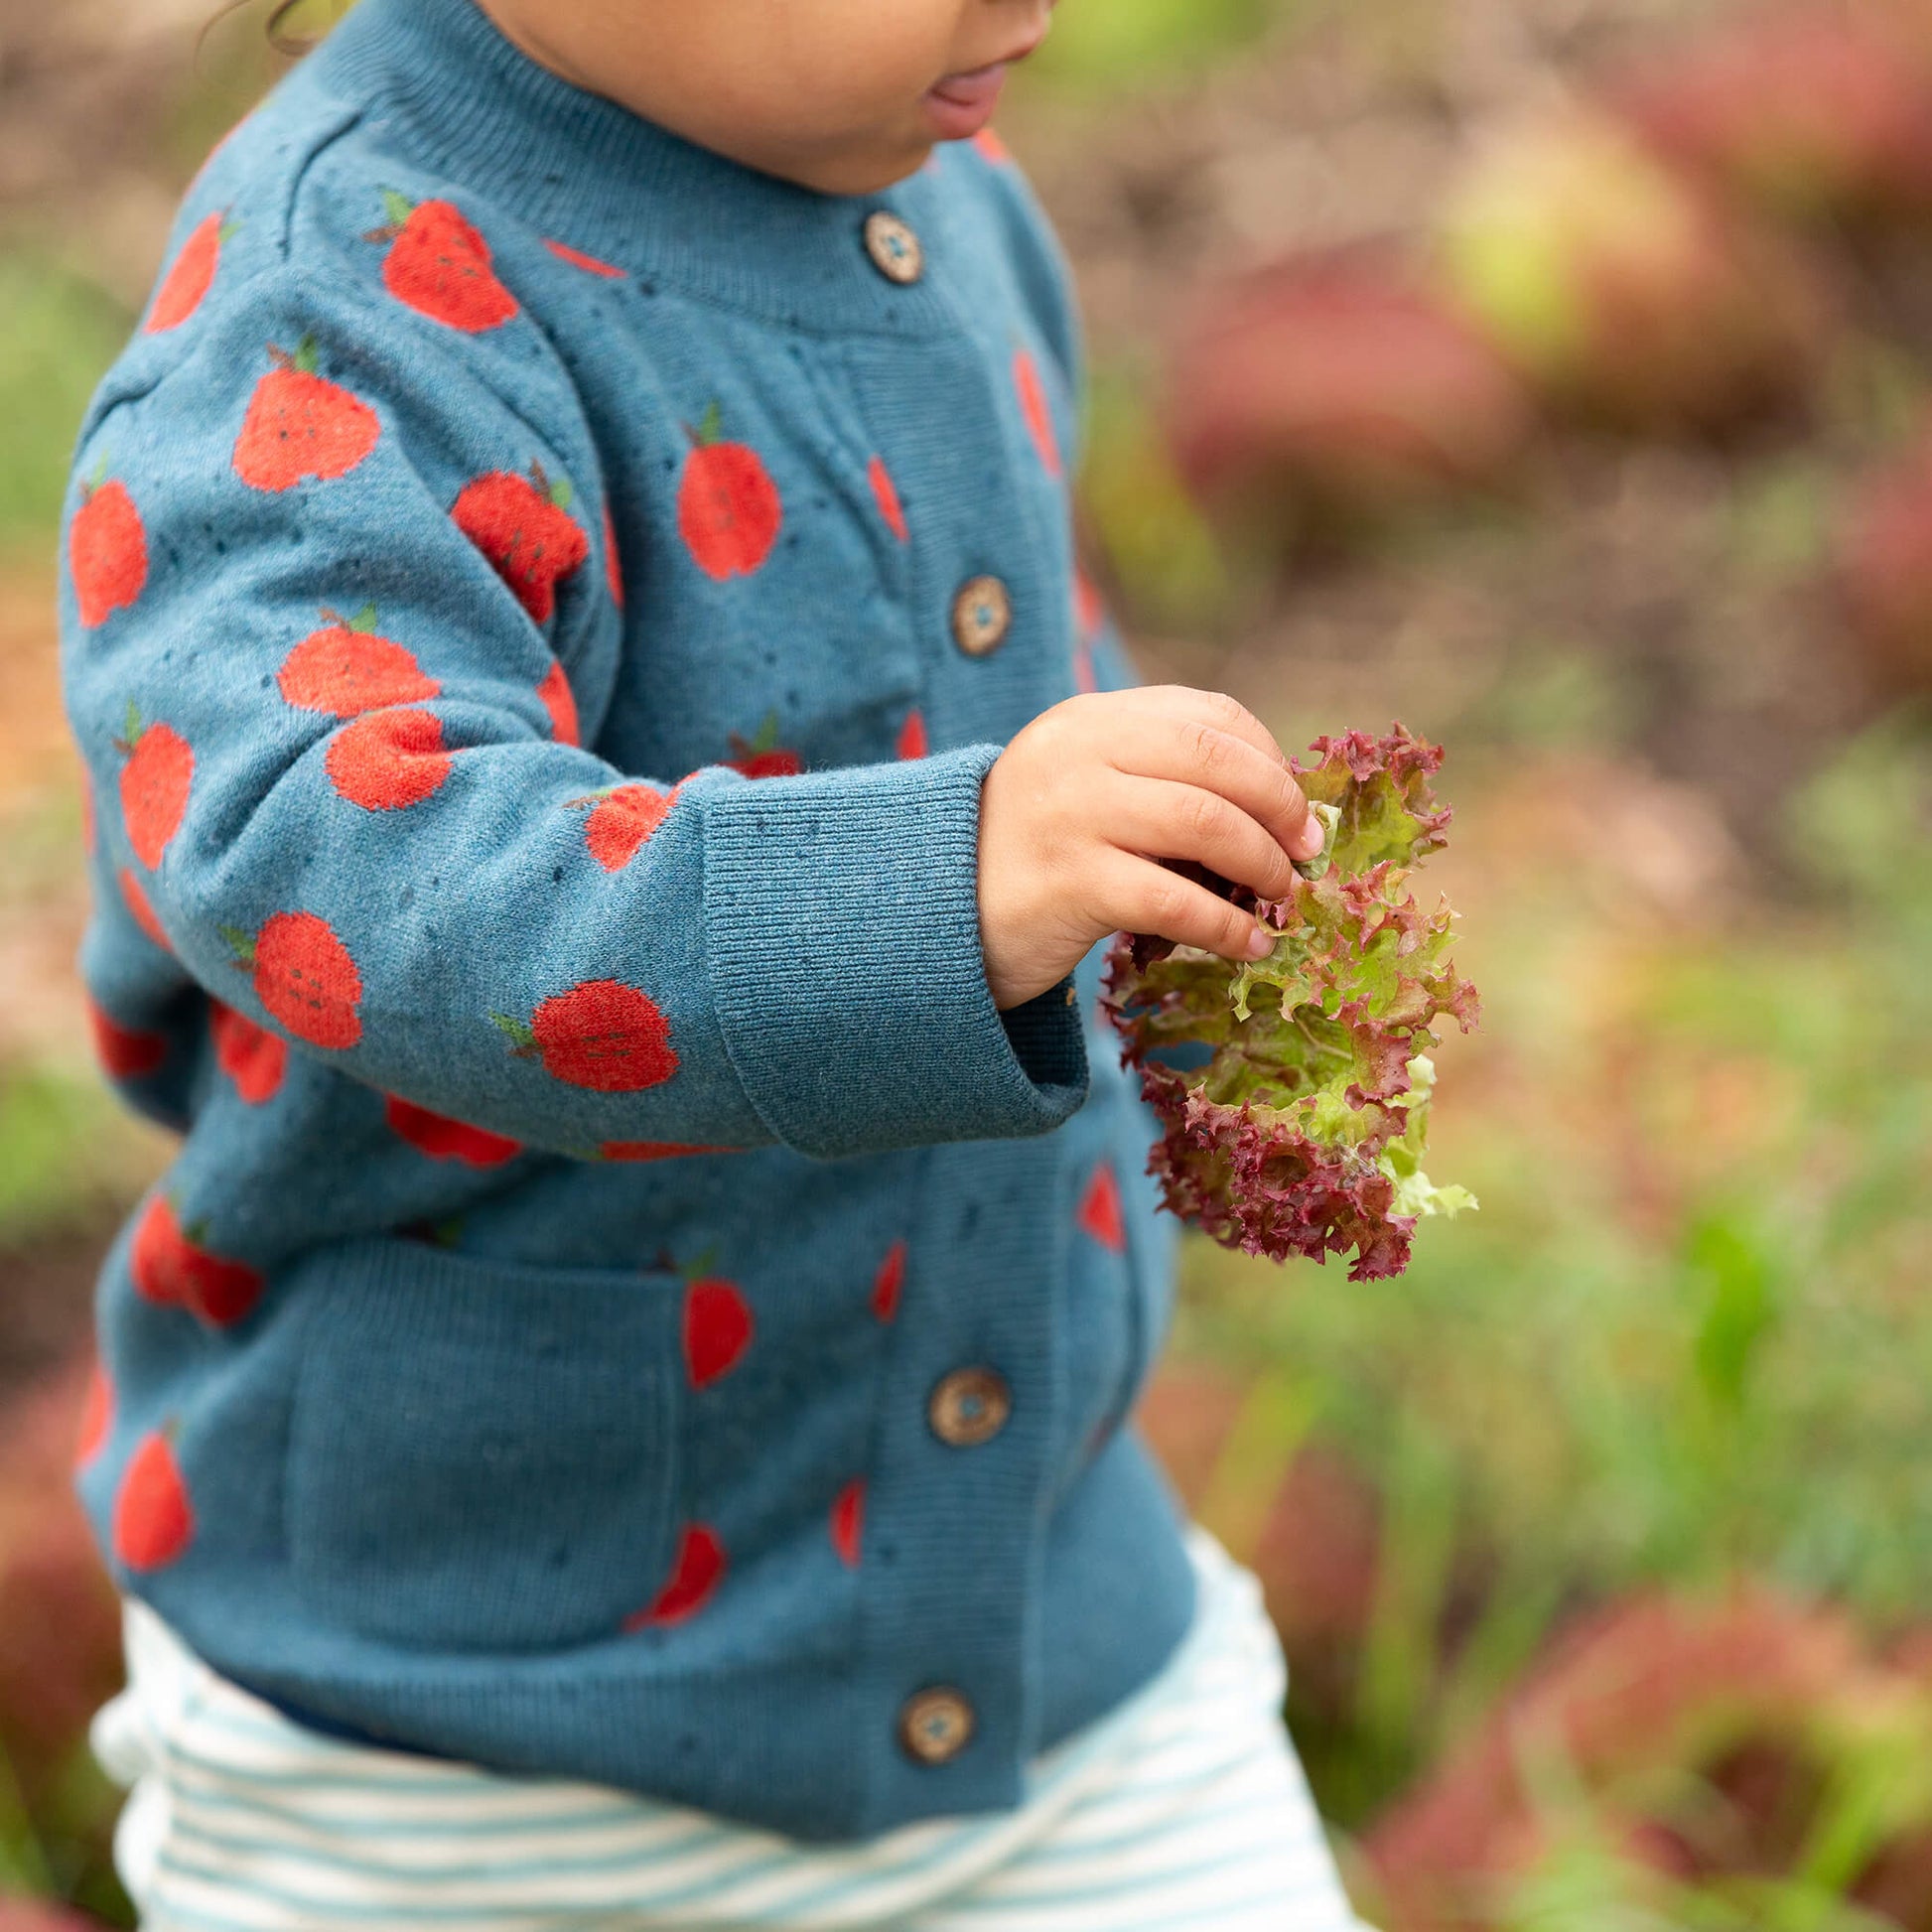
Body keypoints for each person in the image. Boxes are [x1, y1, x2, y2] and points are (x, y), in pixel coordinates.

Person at [59, 0, 1365, 1924]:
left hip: (1051, 1656)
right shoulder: (333, 318)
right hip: (468, 1756)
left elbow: (990, 690)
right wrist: (938, 884)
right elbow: (356, 870)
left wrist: (1132, 873)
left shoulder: (941, 200)